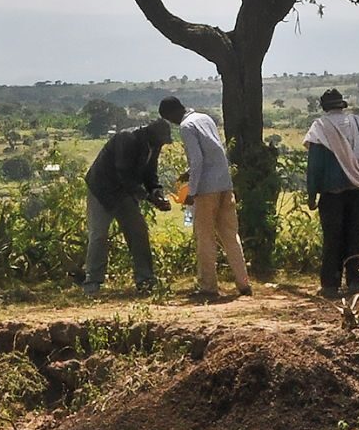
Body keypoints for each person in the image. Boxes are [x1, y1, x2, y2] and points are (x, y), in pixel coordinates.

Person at [168, 95, 254, 300]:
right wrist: (189, 173)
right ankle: (243, 284)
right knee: (231, 236)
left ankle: (208, 287)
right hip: (225, 184)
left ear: (171, 114)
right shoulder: (205, 118)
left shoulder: (186, 127)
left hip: (206, 189)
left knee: (205, 238)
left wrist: (191, 191)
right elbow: (214, 153)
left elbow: (198, 159)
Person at [81, 109, 173, 294]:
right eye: (161, 141)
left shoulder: (153, 146)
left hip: (124, 192)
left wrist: (156, 191)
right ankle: (93, 281)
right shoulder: (127, 139)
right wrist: (148, 198)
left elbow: (150, 174)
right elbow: (124, 175)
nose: (162, 145)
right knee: (98, 235)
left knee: (138, 231)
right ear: (151, 133)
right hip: (101, 190)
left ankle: (145, 279)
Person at [302, 88, 359, 297]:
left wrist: (311, 194)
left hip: (331, 192)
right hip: (357, 189)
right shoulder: (357, 124)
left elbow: (315, 165)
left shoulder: (320, 128)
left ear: (324, 107)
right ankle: (355, 281)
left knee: (332, 238)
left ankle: (330, 284)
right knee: (354, 237)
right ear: (341, 105)